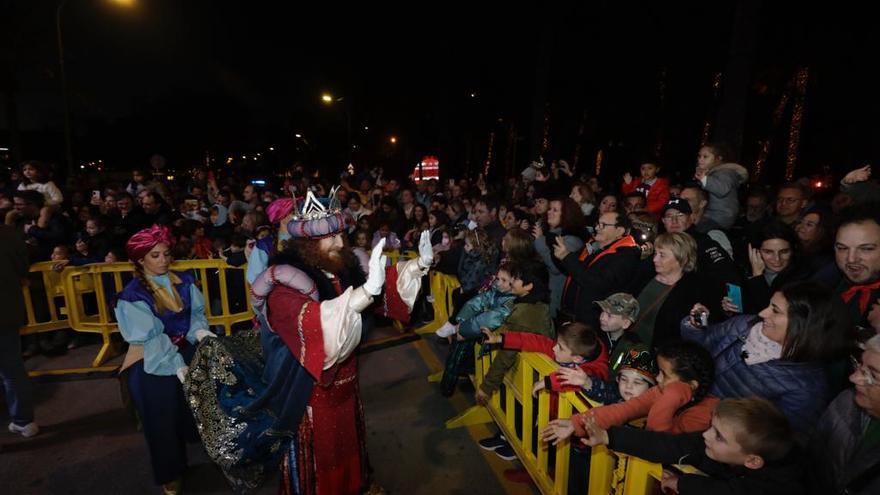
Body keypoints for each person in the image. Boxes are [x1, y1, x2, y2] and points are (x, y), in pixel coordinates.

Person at [186, 188, 433, 494]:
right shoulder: (284, 284)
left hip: (347, 384)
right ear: (308, 244)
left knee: (350, 445)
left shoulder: (341, 269)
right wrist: (363, 295)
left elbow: (382, 292)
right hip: (311, 393)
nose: (341, 243)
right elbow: (316, 326)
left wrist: (419, 266)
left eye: (341, 234)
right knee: (322, 458)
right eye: (331, 238)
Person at [114, 225, 215, 494]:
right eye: (155, 255)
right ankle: (171, 472)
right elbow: (151, 338)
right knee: (161, 419)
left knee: (203, 405)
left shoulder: (185, 281)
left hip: (184, 351)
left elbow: (195, 316)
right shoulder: (132, 296)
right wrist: (177, 365)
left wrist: (200, 332)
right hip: (152, 359)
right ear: (140, 260)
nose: (163, 260)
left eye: (166, 254)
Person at [683, 281, 854, 435]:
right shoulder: (744, 325)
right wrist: (695, 327)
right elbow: (702, 346)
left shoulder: (806, 389)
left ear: (804, 326)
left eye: (775, 311)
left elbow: (778, 442)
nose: (763, 313)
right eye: (769, 305)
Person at [550, 397, 804, 495]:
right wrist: (608, 437)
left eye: (718, 436)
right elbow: (667, 444)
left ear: (752, 461)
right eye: (711, 427)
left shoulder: (779, 485)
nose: (706, 436)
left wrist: (681, 483)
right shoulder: (718, 442)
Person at [544, 340, 717, 440]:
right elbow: (624, 410)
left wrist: (672, 396)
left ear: (692, 386)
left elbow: (659, 442)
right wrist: (577, 423)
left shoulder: (703, 416)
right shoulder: (661, 390)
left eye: (664, 374)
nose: (657, 379)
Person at [808, 334, 880, 494]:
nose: (853, 378)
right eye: (860, 366)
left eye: (872, 375)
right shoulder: (846, 401)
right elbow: (813, 456)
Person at [556, 209, 641, 328]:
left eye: (604, 225)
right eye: (598, 224)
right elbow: (572, 271)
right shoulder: (593, 246)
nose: (597, 228)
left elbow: (597, 284)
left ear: (619, 230)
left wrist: (566, 257)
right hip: (570, 316)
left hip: (590, 322)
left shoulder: (625, 256)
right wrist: (561, 255)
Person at [1, 224, 38, 438]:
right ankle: (24, 421)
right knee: (13, 370)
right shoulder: (8, 234)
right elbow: (22, 265)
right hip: (7, 312)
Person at [533, 197, 586, 318]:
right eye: (550, 209)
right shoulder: (551, 234)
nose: (549, 212)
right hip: (545, 295)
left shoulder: (572, 240)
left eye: (555, 210)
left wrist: (540, 241)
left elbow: (555, 267)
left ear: (566, 215)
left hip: (558, 299)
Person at [693, 142, 749, 231]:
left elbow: (722, 190)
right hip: (712, 216)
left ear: (718, 158)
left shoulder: (725, 172)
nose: (700, 160)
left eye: (705, 156)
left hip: (718, 217)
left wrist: (704, 179)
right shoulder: (713, 173)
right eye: (699, 156)